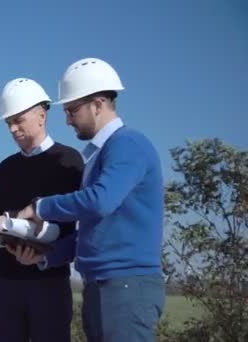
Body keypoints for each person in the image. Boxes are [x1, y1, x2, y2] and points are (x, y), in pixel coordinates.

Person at [14, 58, 166, 342]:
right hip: (103, 286)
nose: (68, 119)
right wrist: (46, 255)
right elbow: (92, 228)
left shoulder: (127, 143)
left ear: (97, 104)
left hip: (126, 287)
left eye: (72, 110)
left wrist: (40, 207)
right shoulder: (98, 154)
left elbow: (99, 202)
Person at [0, 78, 84, 342]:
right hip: (5, 281)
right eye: (8, 123)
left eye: (18, 120)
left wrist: (42, 253)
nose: (13, 129)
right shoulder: (6, 168)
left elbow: (76, 225)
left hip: (48, 282)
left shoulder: (69, 161)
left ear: (42, 114)